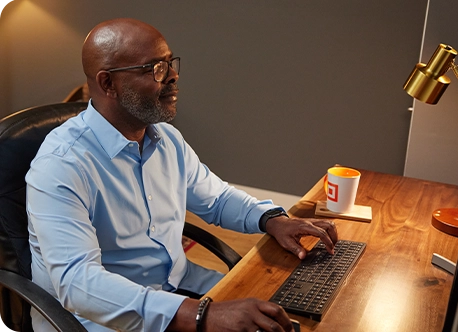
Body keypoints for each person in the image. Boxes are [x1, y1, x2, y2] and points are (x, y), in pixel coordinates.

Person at [26, 18, 338, 332]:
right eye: (155, 68)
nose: (173, 76)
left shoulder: (166, 140)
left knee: (289, 317)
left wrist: (273, 219)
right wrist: (200, 316)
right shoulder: (61, 166)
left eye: (170, 63)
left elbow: (216, 199)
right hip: (98, 319)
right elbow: (79, 285)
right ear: (108, 84)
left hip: (179, 286)